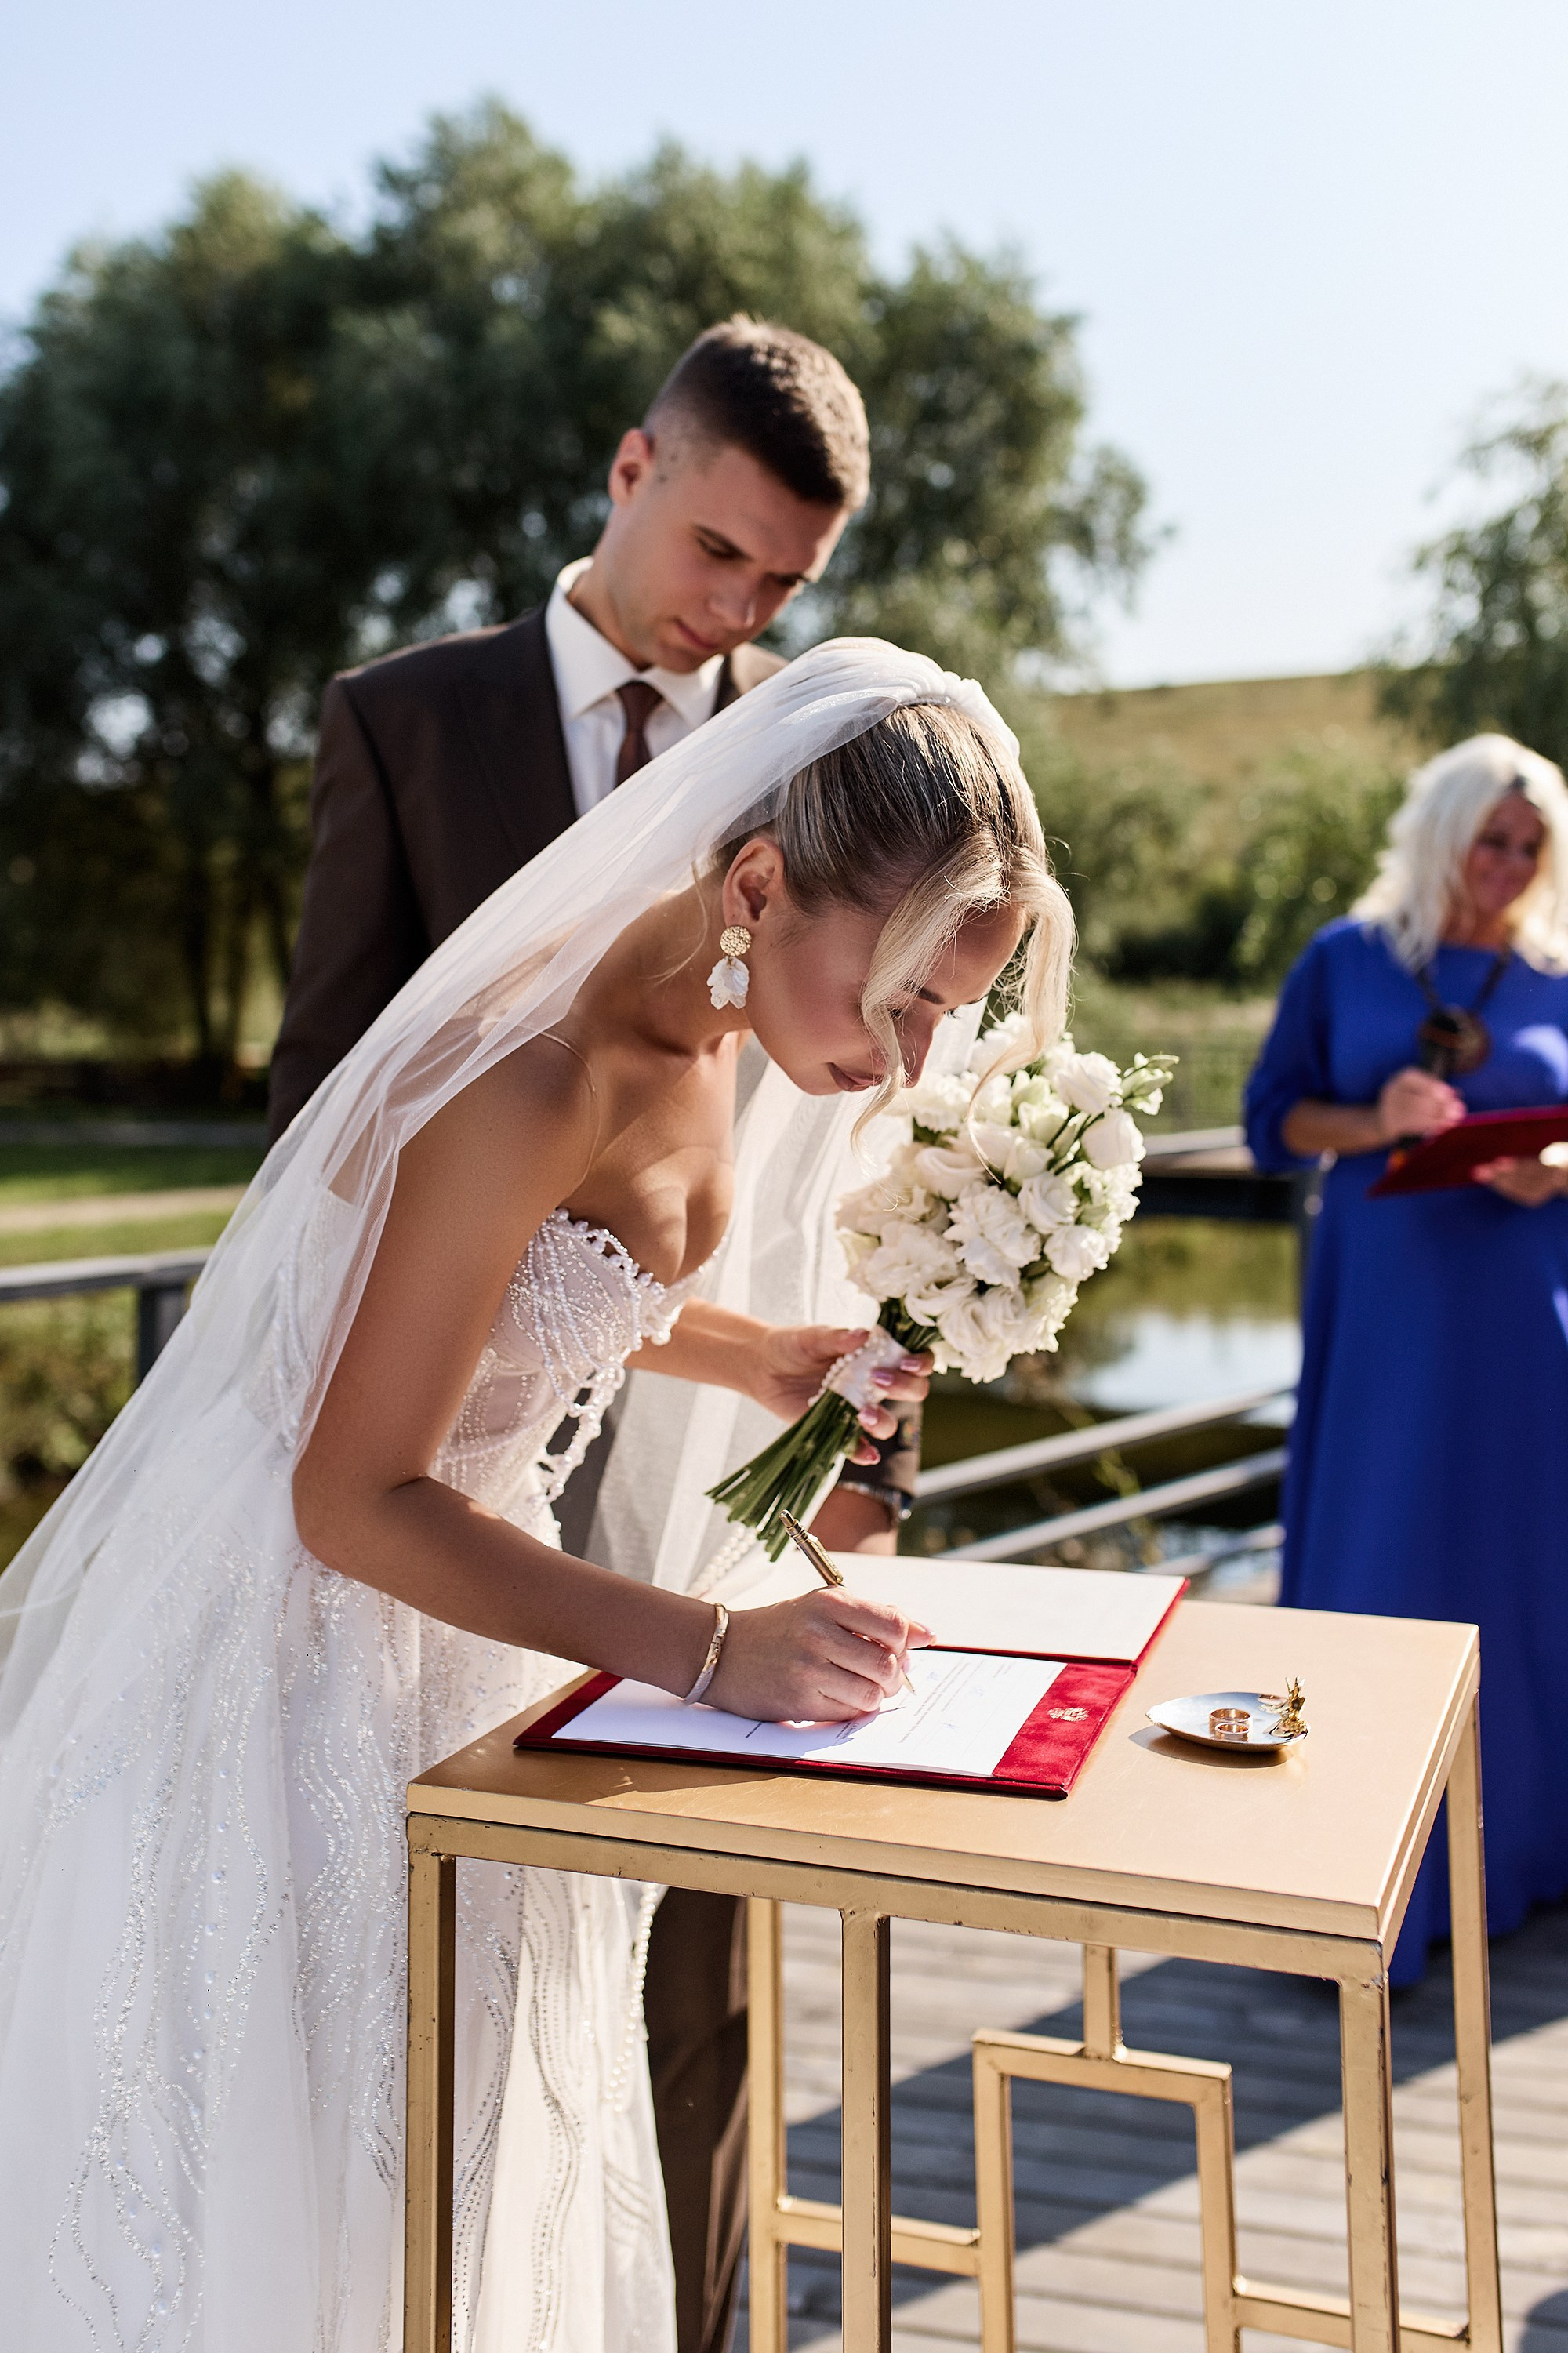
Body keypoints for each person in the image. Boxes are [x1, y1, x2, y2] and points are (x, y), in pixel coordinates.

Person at [0, 641, 1074, 2351]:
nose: (915, 1060)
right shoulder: (535, 1068)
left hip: (462, 1631)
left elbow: (536, 1287)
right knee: (316, 2191)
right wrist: (710, 1649)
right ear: (755, 886)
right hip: (297, 1655)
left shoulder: (712, 1013)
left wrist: (752, 1357)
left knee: (477, 2159)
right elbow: (351, 1497)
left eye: (947, 1011)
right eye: (902, 1001)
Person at [267, 316, 910, 2351]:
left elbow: (799, 1159)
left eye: (783, 585)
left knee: (682, 1994)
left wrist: (772, 1365)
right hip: (414, 1502)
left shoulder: (817, 767)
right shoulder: (408, 722)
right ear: (633, 470)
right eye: (718, 551)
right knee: (389, 2076)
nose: (736, 611)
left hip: (684, 1477)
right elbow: (330, 1140)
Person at [1245, 732, 1568, 1983]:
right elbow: (1275, 1122)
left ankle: (1522, 1857)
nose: (1511, 863)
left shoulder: (1555, 973)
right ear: (1442, 829)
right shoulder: (1347, 958)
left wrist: (1549, 1169)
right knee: (1380, 1567)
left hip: (1524, 1327)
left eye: (1532, 845)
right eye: (1493, 837)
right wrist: (1374, 1118)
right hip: (1386, 1326)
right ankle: (1360, 1879)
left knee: (1521, 1574)